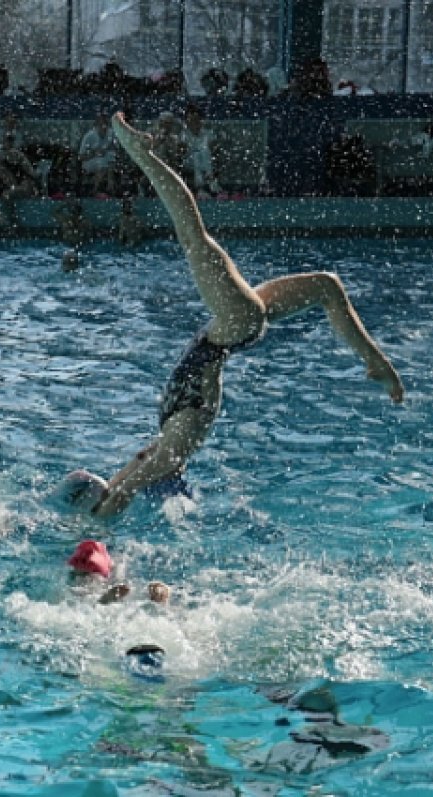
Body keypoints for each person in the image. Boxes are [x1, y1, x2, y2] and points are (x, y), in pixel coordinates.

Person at [58, 113, 405, 518]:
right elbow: (150, 472)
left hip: (234, 329)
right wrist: (112, 506)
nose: (145, 460)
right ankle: (141, 154)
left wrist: (112, 493)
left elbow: (138, 470)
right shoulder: (181, 441)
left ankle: (376, 364)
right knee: (192, 234)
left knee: (326, 285)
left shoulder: (169, 441)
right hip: (232, 328)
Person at [78, 112, 117, 196]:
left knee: (110, 157)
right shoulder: (89, 136)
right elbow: (81, 157)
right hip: (89, 161)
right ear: (97, 125)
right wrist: (94, 153)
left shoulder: (111, 133)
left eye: (106, 124)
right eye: (101, 124)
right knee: (102, 163)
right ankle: (95, 190)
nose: (104, 127)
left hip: (107, 160)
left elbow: (115, 149)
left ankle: (110, 186)